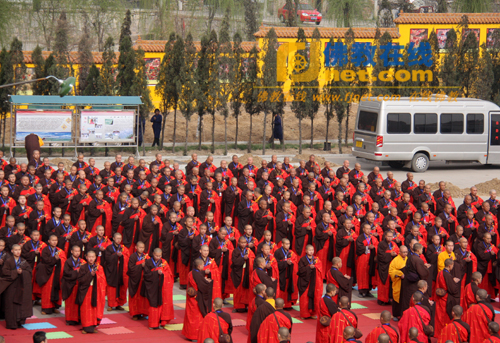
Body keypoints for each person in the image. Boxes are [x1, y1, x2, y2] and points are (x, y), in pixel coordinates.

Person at [0, 244, 33, 329]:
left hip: (20, 286)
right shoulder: (8, 261)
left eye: (19, 250)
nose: (18, 252)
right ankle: (11, 324)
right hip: (11, 286)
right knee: (11, 305)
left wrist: (22, 272)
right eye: (16, 250)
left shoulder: (23, 261)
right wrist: (15, 272)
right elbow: (4, 272)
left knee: (20, 304)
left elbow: (29, 271)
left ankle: (19, 322)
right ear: (12, 251)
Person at [142, 248, 174, 329]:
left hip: (161, 287)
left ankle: (160, 322)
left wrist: (163, 273)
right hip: (152, 286)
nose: (158, 257)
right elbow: (146, 274)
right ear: (153, 254)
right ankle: (152, 324)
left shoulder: (164, 262)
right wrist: (156, 272)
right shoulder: (148, 262)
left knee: (160, 304)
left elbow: (169, 274)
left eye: (160, 256)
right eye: (156, 256)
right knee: (153, 305)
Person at [182, 258, 213, 341]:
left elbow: (198, 281)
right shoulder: (198, 275)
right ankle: (195, 336)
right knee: (196, 318)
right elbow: (203, 286)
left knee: (190, 317)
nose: (204, 266)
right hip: (196, 299)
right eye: (203, 265)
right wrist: (208, 282)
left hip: (190, 298)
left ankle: (189, 334)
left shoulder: (191, 273)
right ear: (199, 266)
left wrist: (204, 280)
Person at [76, 250, 106, 334]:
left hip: (95, 290)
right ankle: (85, 327)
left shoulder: (99, 267)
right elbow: (80, 280)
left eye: (93, 257)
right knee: (86, 309)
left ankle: (93, 326)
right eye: (89, 257)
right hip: (86, 290)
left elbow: (103, 279)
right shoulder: (83, 267)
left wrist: (96, 275)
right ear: (86, 257)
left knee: (94, 309)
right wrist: (90, 274)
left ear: (96, 257)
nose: (91, 258)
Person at [36, 234, 67, 315]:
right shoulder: (45, 249)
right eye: (52, 240)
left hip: (56, 272)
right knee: (47, 290)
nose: (54, 242)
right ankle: (45, 308)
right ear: (49, 241)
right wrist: (55, 259)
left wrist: (59, 259)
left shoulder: (59, 250)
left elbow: (64, 259)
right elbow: (45, 260)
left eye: (56, 240)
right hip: (47, 272)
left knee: (55, 289)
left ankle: (54, 307)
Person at [104, 232, 129, 312]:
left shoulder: (123, 248)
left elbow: (128, 257)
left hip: (121, 270)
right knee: (112, 288)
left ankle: (119, 304)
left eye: (120, 239)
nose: (118, 240)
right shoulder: (109, 248)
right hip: (112, 270)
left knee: (120, 287)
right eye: (117, 238)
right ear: (113, 239)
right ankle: (111, 305)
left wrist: (122, 256)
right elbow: (107, 259)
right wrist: (116, 255)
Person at [435, 258, 461, 333]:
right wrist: (454, 282)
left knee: (439, 318)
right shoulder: (447, 275)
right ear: (450, 266)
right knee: (444, 318)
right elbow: (453, 289)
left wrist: (452, 279)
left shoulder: (440, 272)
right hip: (445, 299)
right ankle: (445, 333)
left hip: (439, 297)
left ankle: (439, 333)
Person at [297, 244, 323, 320]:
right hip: (304, 282)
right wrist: (309, 268)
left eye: (312, 250)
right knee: (304, 298)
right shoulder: (302, 259)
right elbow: (300, 271)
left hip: (313, 281)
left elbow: (320, 268)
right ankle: (304, 314)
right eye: (309, 250)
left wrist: (315, 267)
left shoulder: (316, 259)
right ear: (306, 251)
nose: (311, 252)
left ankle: (313, 313)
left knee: (313, 297)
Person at [231, 236, 255, 312]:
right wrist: (242, 259)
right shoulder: (235, 251)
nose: (243, 244)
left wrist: (248, 259)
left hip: (247, 272)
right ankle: (237, 306)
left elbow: (253, 259)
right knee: (238, 289)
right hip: (238, 272)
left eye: (245, 243)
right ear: (238, 243)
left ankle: (245, 305)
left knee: (246, 289)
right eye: (242, 242)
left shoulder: (249, 251)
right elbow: (234, 262)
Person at [127, 241, 149, 321]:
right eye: (140, 247)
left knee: (142, 296)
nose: (141, 249)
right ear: (136, 247)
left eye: (143, 247)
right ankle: (135, 314)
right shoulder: (133, 256)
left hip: (143, 279)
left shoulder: (146, 256)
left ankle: (143, 312)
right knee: (135, 296)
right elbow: (130, 268)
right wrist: (140, 265)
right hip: (135, 279)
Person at [61, 245, 82, 325]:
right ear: (71, 251)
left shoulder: (82, 261)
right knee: (70, 303)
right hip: (70, 285)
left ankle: (78, 318)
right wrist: (76, 272)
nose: (77, 253)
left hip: (79, 285)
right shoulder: (68, 261)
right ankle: (69, 319)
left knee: (78, 302)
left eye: (79, 251)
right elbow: (66, 273)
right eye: (75, 251)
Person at [389, 245, 408, 320]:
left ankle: (404, 314)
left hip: (406, 283)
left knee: (405, 299)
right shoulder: (395, 260)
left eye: (406, 252)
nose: (405, 254)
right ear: (399, 252)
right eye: (403, 252)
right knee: (397, 298)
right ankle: (396, 315)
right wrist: (400, 274)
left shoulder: (408, 259)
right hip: (398, 282)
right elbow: (391, 271)